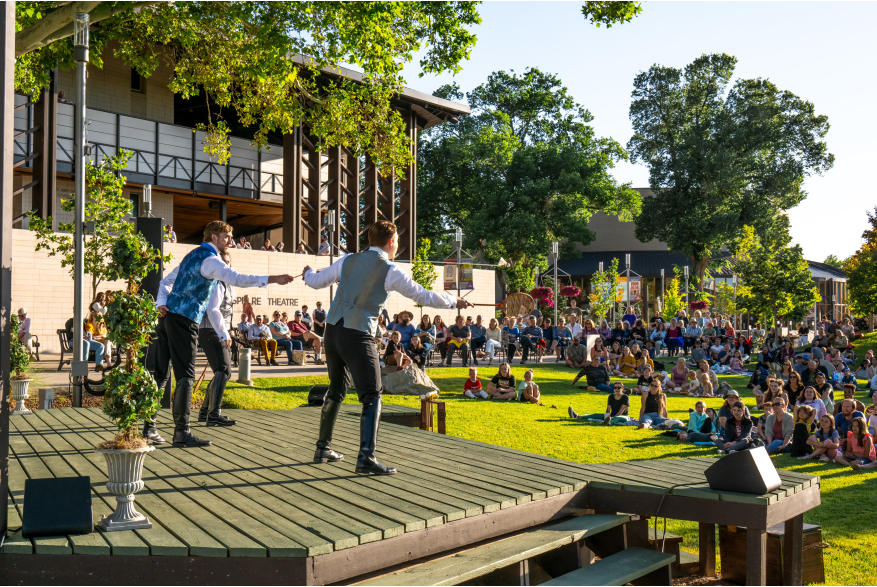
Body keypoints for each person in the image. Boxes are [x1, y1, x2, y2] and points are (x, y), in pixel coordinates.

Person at [303, 220, 470, 475]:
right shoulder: (391, 270)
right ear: (391, 242)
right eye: (397, 243)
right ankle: (366, 458)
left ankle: (322, 447)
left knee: (336, 390)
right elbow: (423, 296)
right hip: (357, 334)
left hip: (333, 331)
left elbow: (315, 282)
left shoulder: (348, 260)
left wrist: (307, 272)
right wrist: (453, 301)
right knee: (372, 395)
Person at [160, 221, 294, 447]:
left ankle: (151, 427)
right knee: (185, 377)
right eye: (226, 237)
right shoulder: (211, 260)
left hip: (169, 318)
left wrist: (161, 303)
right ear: (213, 237)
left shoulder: (191, 254)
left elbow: (166, 281)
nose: (231, 242)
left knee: (163, 373)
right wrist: (274, 278)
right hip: (184, 319)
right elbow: (238, 278)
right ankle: (182, 433)